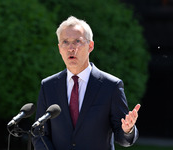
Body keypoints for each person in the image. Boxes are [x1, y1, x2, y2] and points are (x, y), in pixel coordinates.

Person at [32, 16, 141, 150]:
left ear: (90, 46)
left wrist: (127, 130)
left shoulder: (111, 86)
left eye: (77, 41)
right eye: (65, 42)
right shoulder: (48, 86)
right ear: (60, 48)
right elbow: (39, 133)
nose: (71, 48)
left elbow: (123, 138)